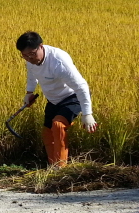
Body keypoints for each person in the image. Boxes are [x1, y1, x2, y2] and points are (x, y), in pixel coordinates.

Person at [16, 31, 97, 167]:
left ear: (41, 46)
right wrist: (29, 92)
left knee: (58, 125)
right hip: (53, 100)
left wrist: (87, 114)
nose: (29, 58)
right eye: (25, 56)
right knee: (47, 132)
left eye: (32, 54)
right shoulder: (30, 60)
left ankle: (61, 168)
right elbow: (32, 75)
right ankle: (52, 166)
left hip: (72, 97)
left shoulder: (58, 62)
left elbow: (81, 86)